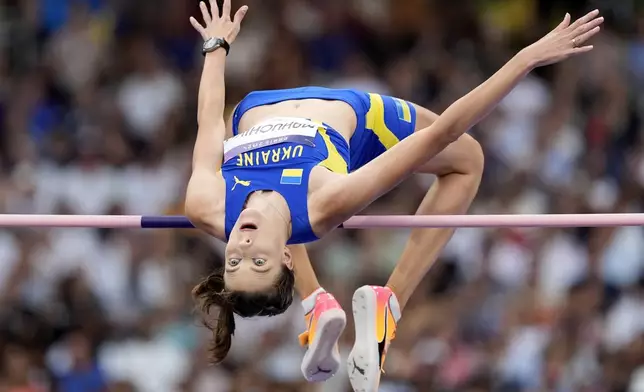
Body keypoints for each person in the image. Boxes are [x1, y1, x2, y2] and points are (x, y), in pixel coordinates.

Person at [184, 0, 602, 390]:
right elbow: (443, 133)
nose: (243, 243)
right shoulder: (326, 200)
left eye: (235, 259)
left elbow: (208, 123)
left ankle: (316, 304)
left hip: (255, 106)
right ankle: (389, 302)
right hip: (356, 118)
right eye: (259, 260)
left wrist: (216, 46)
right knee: (467, 160)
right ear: (287, 256)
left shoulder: (208, 205)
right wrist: (525, 59)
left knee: (273, 211)